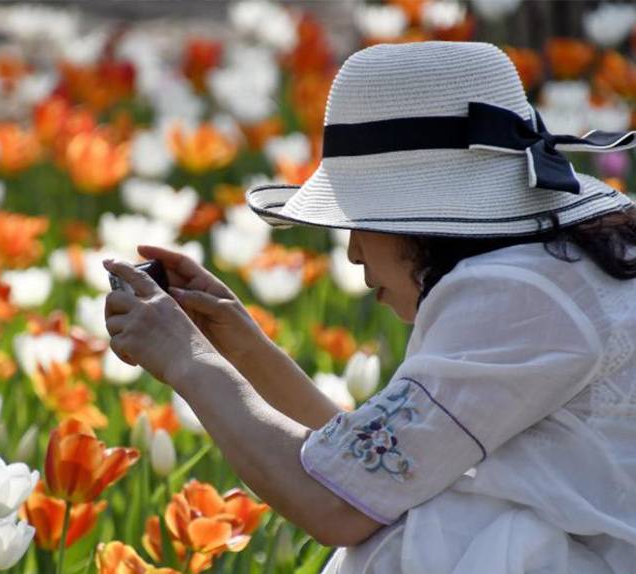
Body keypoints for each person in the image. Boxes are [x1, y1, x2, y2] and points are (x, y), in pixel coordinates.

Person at [102, 41, 636, 573]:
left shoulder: (516, 293)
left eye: (363, 217)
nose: (354, 251)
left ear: (420, 216)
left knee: (438, 535)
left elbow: (338, 506)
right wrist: (239, 344)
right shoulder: (549, 269)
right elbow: (376, 469)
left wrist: (186, 360)